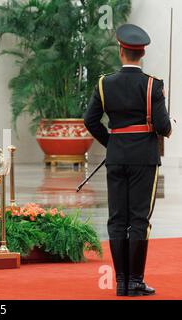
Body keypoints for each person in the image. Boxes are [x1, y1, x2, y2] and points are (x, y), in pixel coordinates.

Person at [85, 24, 172, 297]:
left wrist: (112, 143)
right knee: (139, 220)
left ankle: (121, 282)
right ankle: (135, 281)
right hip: (144, 160)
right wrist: (170, 126)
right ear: (141, 53)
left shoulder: (103, 83)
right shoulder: (152, 85)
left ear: (121, 51)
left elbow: (91, 121)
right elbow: (163, 127)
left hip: (117, 157)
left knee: (117, 219)